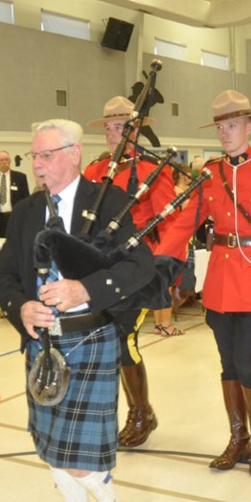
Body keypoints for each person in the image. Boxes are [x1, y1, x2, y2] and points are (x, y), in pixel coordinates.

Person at [0, 119, 152, 502]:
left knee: (79, 454)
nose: (38, 165)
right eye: (34, 156)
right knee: (51, 448)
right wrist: (20, 307)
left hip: (91, 338)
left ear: (74, 153)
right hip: (42, 345)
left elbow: (141, 266)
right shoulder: (24, 213)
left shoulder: (109, 203)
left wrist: (86, 288)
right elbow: (5, 276)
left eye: (47, 155)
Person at [156, 90, 251, 476]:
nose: (225, 133)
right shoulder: (211, 173)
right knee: (228, 365)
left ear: (249, 126)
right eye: (221, 127)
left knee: (248, 365)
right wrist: (160, 261)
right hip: (222, 285)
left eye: (233, 125)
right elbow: (187, 220)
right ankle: (236, 439)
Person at [83, 95, 179, 447]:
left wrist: (166, 266)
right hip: (101, 270)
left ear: (134, 130)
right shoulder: (95, 170)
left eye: (120, 127)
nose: (112, 134)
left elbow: (169, 220)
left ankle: (141, 412)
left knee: (124, 341)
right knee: (103, 345)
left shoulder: (155, 170)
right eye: (108, 127)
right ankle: (119, 413)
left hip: (137, 269)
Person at [0, 150, 30, 238]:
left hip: (14, 216)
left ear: (10, 161)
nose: (4, 162)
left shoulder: (20, 177)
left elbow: (26, 198)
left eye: (6, 160)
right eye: (1, 160)